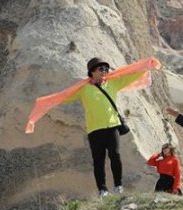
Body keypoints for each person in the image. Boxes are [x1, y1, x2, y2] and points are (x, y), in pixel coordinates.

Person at [63, 57, 147, 197]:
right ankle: (102, 189)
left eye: (106, 69)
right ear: (92, 72)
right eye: (101, 69)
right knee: (98, 160)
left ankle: (118, 185)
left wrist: (146, 66)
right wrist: (48, 102)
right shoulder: (83, 89)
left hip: (113, 126)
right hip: (95, 130)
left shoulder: (112, 83)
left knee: (115, 155)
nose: (105, 71)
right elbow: (65, 97)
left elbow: (130, 76)